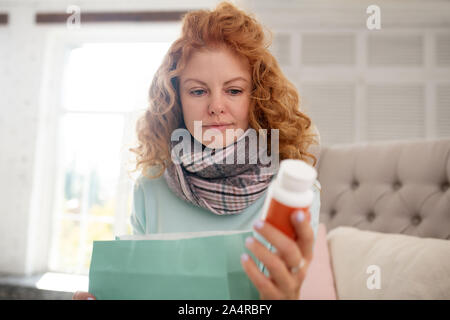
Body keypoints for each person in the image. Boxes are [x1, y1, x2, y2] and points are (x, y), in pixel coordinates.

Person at [73, 0, 321, 300]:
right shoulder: (150, 190)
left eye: (233, 90)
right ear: (176, 100)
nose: (216, 107)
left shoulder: (293, 196)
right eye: (198, 91)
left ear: (257, 97)